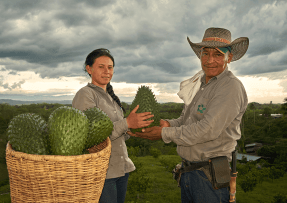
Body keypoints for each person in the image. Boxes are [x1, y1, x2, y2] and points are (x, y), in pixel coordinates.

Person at [127, 27, 249, 202]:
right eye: (205, 54)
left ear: (229, 58)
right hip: (189, 173)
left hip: (209, 178)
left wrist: (163, 133)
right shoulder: (199, 85)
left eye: (218, 54)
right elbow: (185, 121)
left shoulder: (230, 87)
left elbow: (207, 130)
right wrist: (166, 124)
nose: (210, 60)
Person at [72, 48, 155, 203]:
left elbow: (116, 134)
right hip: (102, 173)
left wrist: (131, 129)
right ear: (89, 69)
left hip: (121, 169)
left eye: (110, 67)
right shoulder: (85, 94)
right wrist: (127, 123)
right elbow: (89, 137)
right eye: (101, 67)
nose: (107, 71)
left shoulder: (111, 97)